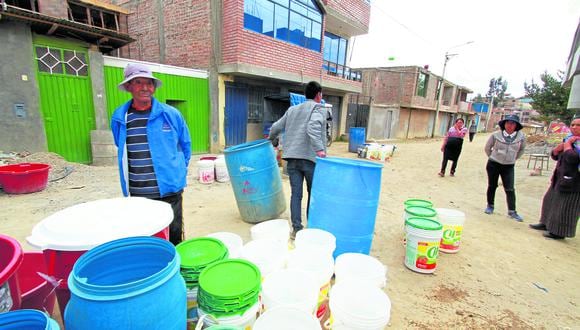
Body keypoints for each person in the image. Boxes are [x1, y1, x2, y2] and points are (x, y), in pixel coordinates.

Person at [111, 63, 191, 245]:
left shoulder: (171, 114)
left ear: (154, 87)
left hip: (169, 190)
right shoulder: (120, 117)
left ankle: (175, 270)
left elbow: (185, 146)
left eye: (149, 83)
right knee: (147, 236)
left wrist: (176, 171)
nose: (145, 87)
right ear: (129, 87)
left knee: (174, 234)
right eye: (138, 82)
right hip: (138, 192)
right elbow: (121, 145)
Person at [268, 81, 328, 239]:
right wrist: (320, 149)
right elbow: (313, 127)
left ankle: (296, 229)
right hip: (309, 158)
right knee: (312, 193)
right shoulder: (318, 108)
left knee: (296, 194)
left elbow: (275, 127)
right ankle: (311, 226)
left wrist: (271, 139)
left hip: (292, 159)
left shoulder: (292, 110)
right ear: (318, 95)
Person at [529, 116, 580, 239]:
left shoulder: (573, 142)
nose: (574, 127)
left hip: (574, 181)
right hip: (560, 177)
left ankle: (559, 232)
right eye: (572, 124)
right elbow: (558, 156)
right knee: (550, 200)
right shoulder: (569, 139)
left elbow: (572, 158)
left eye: (578, 125)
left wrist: (567, 145)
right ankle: (546, 223)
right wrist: (556, 150)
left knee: (565, 206)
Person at [483, 114, 526, 221]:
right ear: (504, 124)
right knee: (492, 185)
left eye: (512, 123)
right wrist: (493, 157)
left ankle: (512, 211)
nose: (510, 125)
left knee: (510, 189)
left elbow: (521, 150)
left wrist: (512, 159)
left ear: (516, 125)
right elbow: (488, 148)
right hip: (493, 164)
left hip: (509, 166)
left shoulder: (521, 137)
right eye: (508, 123)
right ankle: (490, 205)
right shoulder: (496, 135)